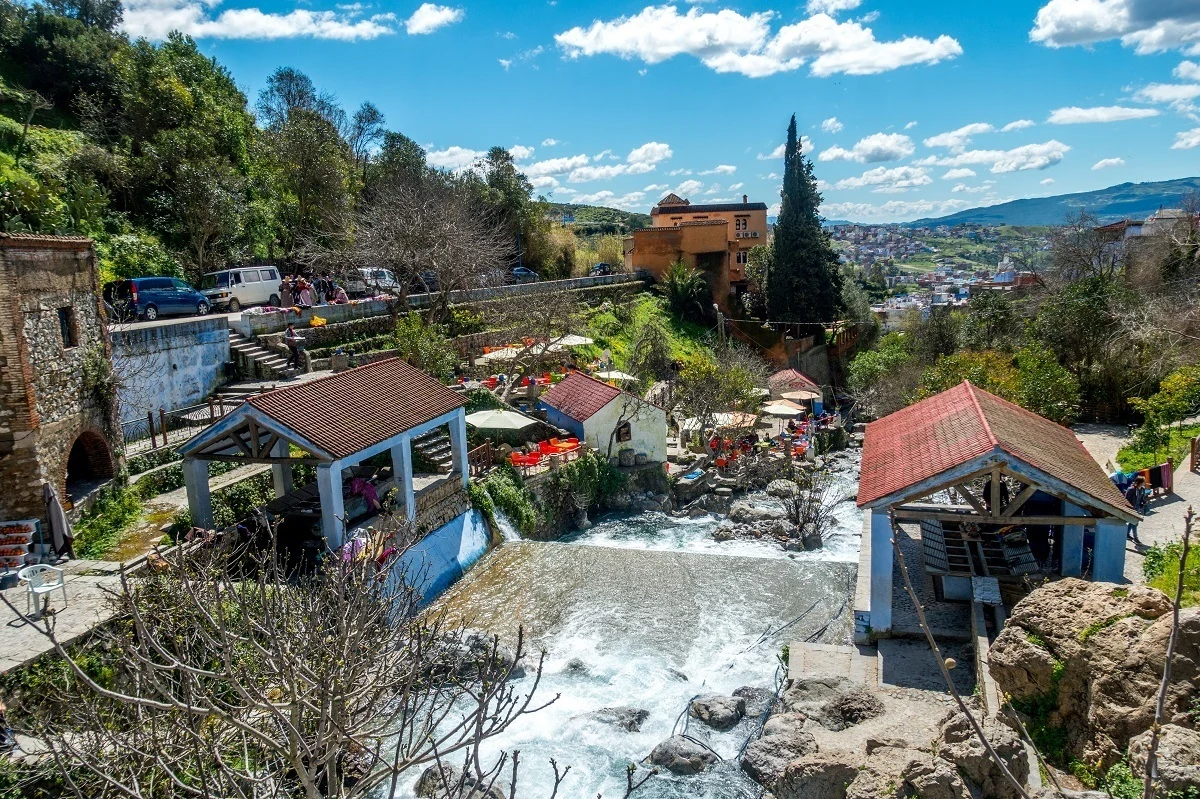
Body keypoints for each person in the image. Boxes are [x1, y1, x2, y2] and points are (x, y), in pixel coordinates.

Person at [1124, 475, 1147, 543]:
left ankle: (1127, 534)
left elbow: (1142, 498)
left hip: (1138, 508)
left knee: (1132, 522)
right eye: (1143, 481)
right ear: (1140, 482)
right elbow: (1126, 499)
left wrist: (1144, 502)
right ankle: (1135, 537)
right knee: (1135, 523)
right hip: (1132, 508)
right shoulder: (1131, 489)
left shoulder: (1142, 489)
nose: (1144, 483)